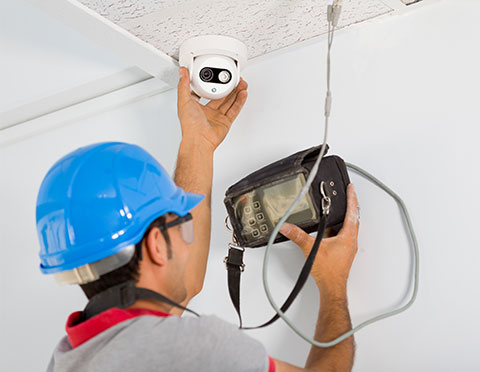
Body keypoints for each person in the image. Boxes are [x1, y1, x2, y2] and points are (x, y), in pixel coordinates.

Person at [37, 67, 360, 372]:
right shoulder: (193, 346)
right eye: (181, 225)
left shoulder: (69, 356)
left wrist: (199, 143)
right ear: (156, 246)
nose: (187, 236)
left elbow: (182, 286)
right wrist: (333, 283)